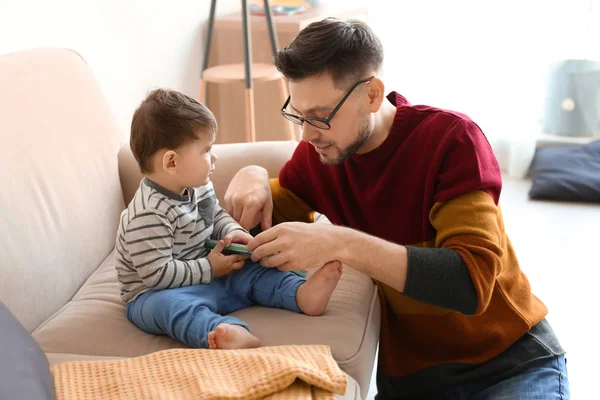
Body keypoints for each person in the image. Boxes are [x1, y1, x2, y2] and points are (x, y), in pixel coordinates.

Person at [223, 18, 569, 399]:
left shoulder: (450, 142)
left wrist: (340, 242)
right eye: (298, 114)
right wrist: (252, 174)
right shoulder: (321, 158)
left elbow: (470, 283)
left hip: (509, 365)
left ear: (372, 95)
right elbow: (260, 229)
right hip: (413, 382)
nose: (306, 134)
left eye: (320, 115)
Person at [114, 89, 342, 350]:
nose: (214, 157)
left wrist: (234, 232)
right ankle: (221, 330)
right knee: (170, 309)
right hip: (158, 291)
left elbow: (216, 216)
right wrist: (210, 268)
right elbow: (158, 275)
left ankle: (301, 295)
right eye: (206, 150)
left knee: (255, 269)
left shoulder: (197, 185)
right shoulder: (148, 214)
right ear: (172, 162)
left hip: (207, 271)